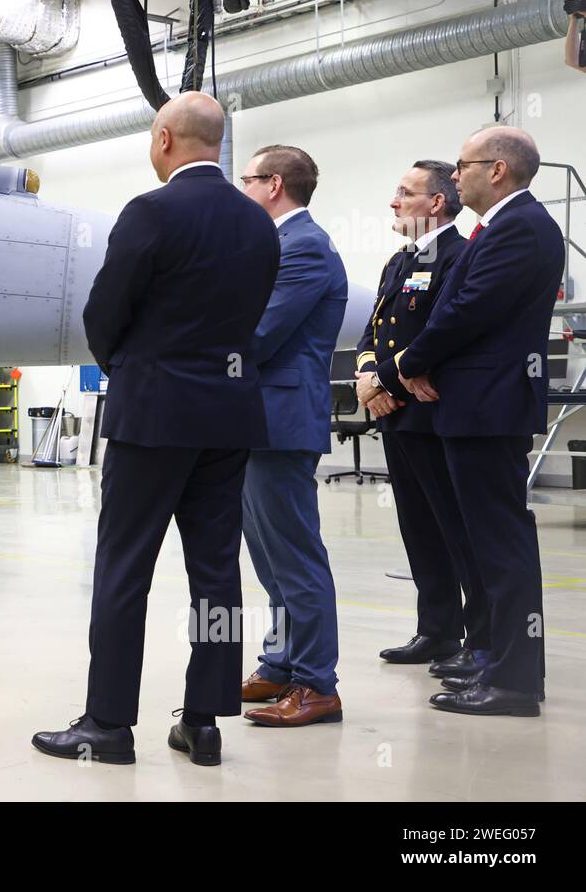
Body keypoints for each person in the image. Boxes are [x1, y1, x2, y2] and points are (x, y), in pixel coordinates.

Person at [32, 92, 280, 766]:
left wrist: (132, 367)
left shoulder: (150, 211)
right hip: (229, 416)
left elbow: (104, 311)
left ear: (164, 139)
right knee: (216, 570)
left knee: (124, 567)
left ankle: (109, 724)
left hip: (154, 415)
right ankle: (203, 721)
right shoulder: (260, 225)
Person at [377, 127, 562, 717]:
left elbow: (464, 313)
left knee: (500, 546)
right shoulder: (495, 229)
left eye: (463, 165)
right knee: (487, 546)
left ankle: (511, 681)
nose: (456, 177)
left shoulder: (520, 228)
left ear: (499, 169)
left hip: (488, 407)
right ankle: (495, 662)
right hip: (474, 406)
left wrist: (402, 367)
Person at [356, 162, 490, 676]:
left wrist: (386, 380)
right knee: (418, 526)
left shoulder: (460, 255)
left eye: (404, 193)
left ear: (436, 203)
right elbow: (375, 329)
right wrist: (370, 378)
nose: (393, 202)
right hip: (395, 411)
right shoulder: (398, 261)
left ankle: (481, 640)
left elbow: (442, 330)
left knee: (458, 529)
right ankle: (436, 629)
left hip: (434, 412)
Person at [235, 145, 348, 728]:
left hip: (281, 422)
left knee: (297, 558)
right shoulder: (279, 243)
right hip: (258, 421)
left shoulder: (303, 246)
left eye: (247, 179)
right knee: (271, 559)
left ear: (274, 184)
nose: (241, 188)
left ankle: (316, 684)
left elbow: (259, 334)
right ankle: (281, 664)